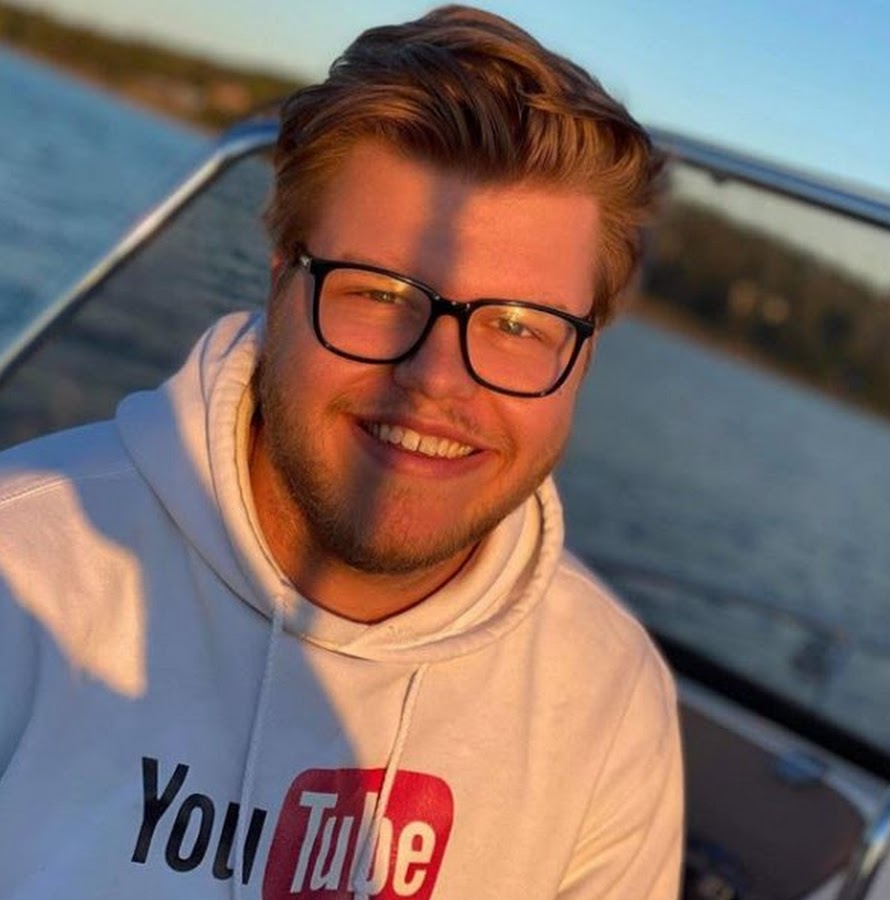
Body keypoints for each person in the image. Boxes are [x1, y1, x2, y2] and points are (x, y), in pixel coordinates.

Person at [0, 5, 682, 898]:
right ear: (281, 283)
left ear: (582, 358)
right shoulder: (25, 577)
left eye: (520, 325)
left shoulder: (607, 704)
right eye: (381, 293)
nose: (436, 379)